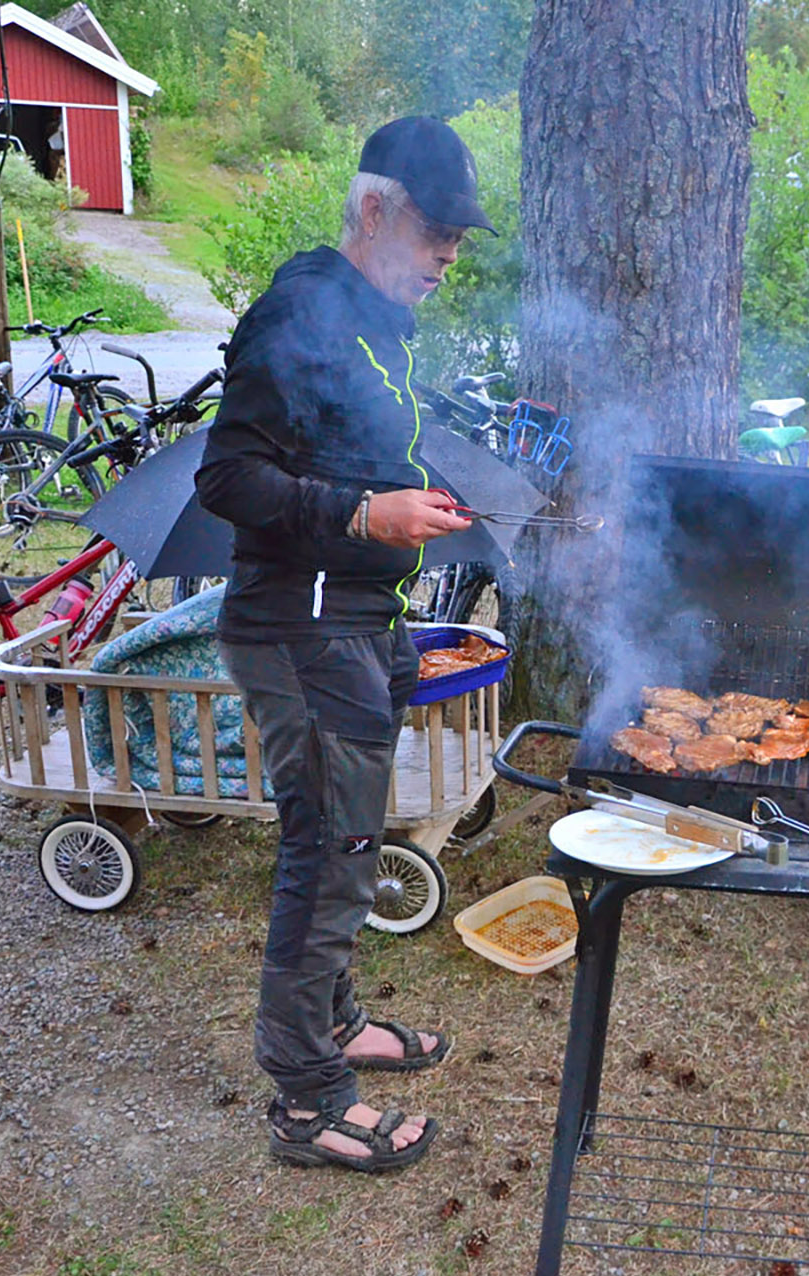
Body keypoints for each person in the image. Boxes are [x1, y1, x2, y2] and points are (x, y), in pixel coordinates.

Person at [195, 117, 492, 1172]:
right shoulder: (295, 318)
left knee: (349, 843)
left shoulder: (373, 322)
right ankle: (308, 1098)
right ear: (375, 210)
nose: (447, 260)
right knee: (328, 859)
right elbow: (227, 479)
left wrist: (415, 506)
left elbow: (358, 454)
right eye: (437, 238)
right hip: (299, 630)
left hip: (359, 621)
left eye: (458, 242)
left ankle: (334, 1018)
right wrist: (367, 518)